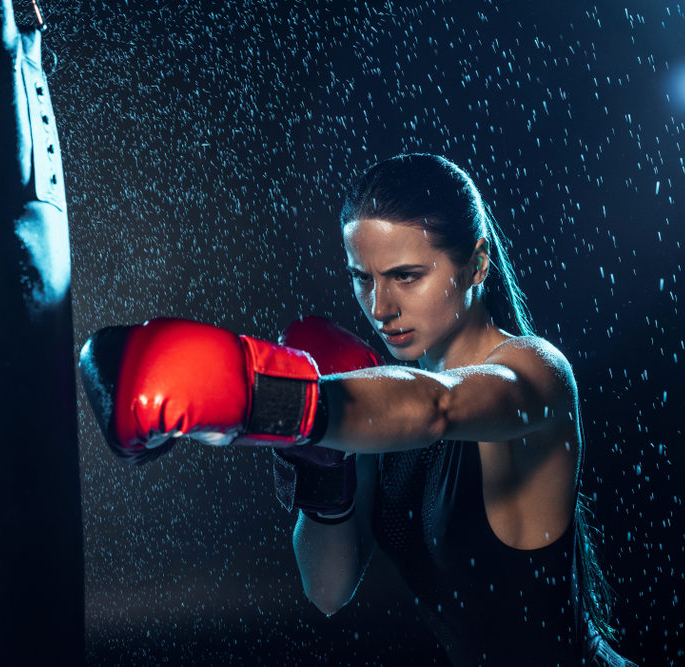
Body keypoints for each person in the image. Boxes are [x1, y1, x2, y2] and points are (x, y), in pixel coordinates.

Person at [79, 154, 632, 666]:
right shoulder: (374, 404)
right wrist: (320, 467)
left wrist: (274, 402)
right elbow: (327, 591)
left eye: (406, 277)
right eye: (361, 279)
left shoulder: (536, 374)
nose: (380, 307)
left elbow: (440, 406)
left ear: (478, 264)